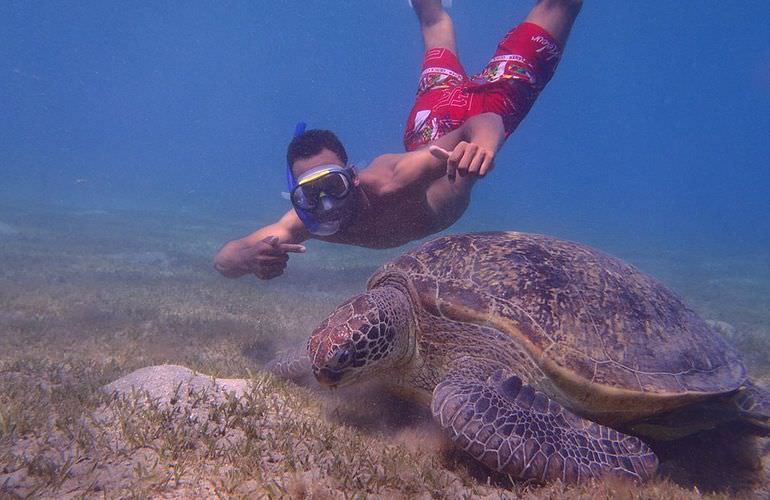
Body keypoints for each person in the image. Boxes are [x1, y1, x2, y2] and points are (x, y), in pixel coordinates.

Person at [214, 0, 582, 280]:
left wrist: (484, 147)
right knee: (435, 21)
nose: (326, 205)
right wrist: (247, 259)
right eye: (310, 194)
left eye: (333, 185)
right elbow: (225, 258)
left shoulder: (393, 178)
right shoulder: (302, 223)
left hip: (454, 117)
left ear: (353, 175)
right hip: (430, 119)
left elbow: (482, 121)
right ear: (296, 195)